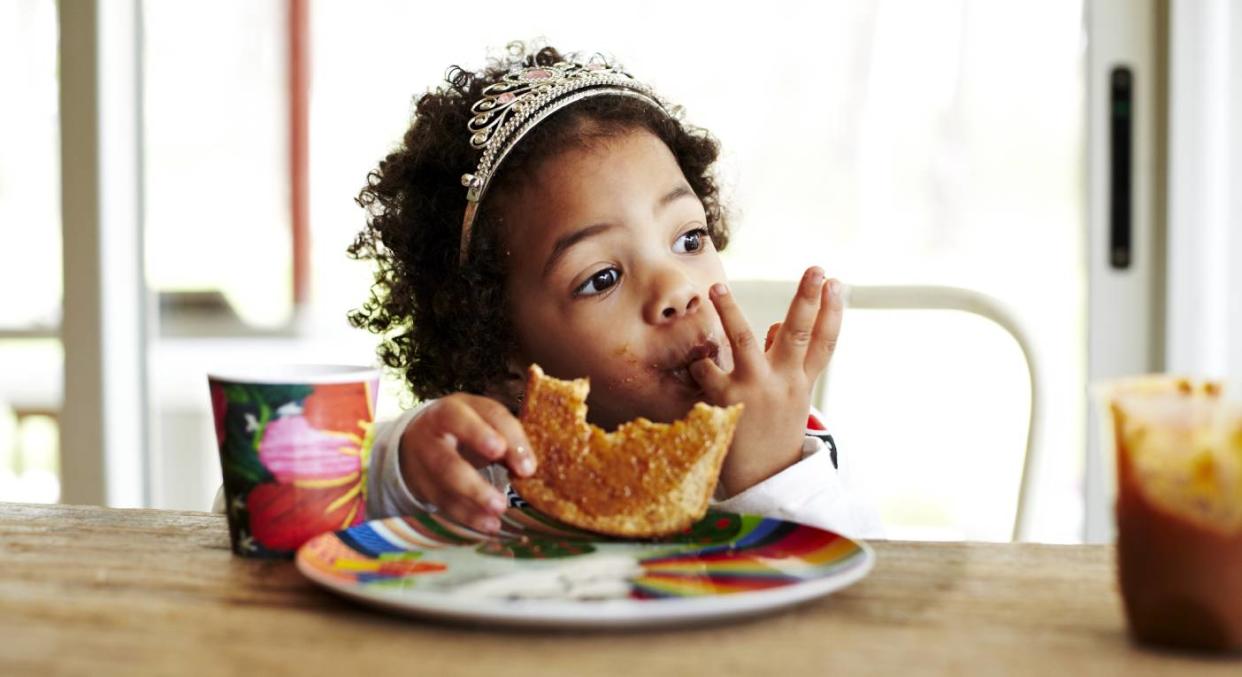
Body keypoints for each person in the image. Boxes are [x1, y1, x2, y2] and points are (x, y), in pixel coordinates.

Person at [346, 42, 882, 539]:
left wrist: (774, 478)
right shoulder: (487, 464)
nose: (677, 287)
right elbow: (336, 499)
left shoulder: (797, 444)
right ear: (501, 350)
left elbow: (870, 611)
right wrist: (403, 465)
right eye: (602, 278)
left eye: (689, 239)